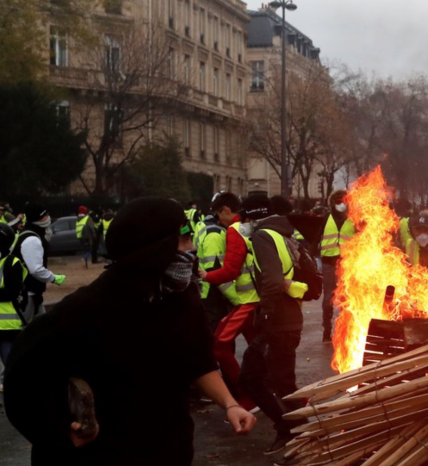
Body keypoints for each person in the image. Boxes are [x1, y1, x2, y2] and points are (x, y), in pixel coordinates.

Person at [3, 197, 255, 465]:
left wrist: (230, 404)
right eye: (183, 239)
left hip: (171, 451)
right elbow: (22, 377)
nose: (192, 249)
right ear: (153, 249)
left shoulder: (181, 297)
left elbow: (199, 360)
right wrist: (59, 430)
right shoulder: (88, 308)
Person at [240, 202, 305, 455]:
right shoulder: (283, 233)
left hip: (279, 323)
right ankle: (295, 431)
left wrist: (265, 313)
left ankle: (295, 434)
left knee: (260, 379)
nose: (241, 224)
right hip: (289, 320)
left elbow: (273, 280)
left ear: (252, 218)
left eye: (243, 219)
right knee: (279, 381)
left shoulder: (261, 236)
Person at [204, 193, 264, 405]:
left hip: (247, 301)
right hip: (258, 300)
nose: (218, 219)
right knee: (259, 349)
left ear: (227, 210)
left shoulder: (235, 230)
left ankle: (246, 395)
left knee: (219, 345)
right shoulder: (255, 227)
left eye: (218, 213)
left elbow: (230, 270)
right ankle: (266, 390)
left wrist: (206, 275)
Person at [13, 203, 65, 323]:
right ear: (37, 218)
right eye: (45, 215)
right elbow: (35, 269)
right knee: (25, 328)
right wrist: (54, 278)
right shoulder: (32, 239)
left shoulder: (31, 234)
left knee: (42, 327)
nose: (48, 217)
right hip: (27, 293)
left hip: (32, 292)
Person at [196, 193, 237, 335]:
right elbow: (216, 272)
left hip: (207, 294)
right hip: (213, 297)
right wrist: (237, 300)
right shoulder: (215, 233)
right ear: (226, 210)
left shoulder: (205, 226)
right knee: (217, 341)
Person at [319, 189, 355, 344]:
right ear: (333, 203)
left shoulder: (353, 221)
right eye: (338, 202)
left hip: (347, 263)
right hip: (329, 263)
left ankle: (344, 331)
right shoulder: (325, 219)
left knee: (346, 299)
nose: (341, 205)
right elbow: (315, 239)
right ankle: (327, 331)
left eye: (344, 201)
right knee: (328, 298)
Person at [0, 222, 28, 392]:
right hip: (6, 324)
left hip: (7, 326)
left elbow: (12, 292)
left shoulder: (12, 263)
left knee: (10, 364)